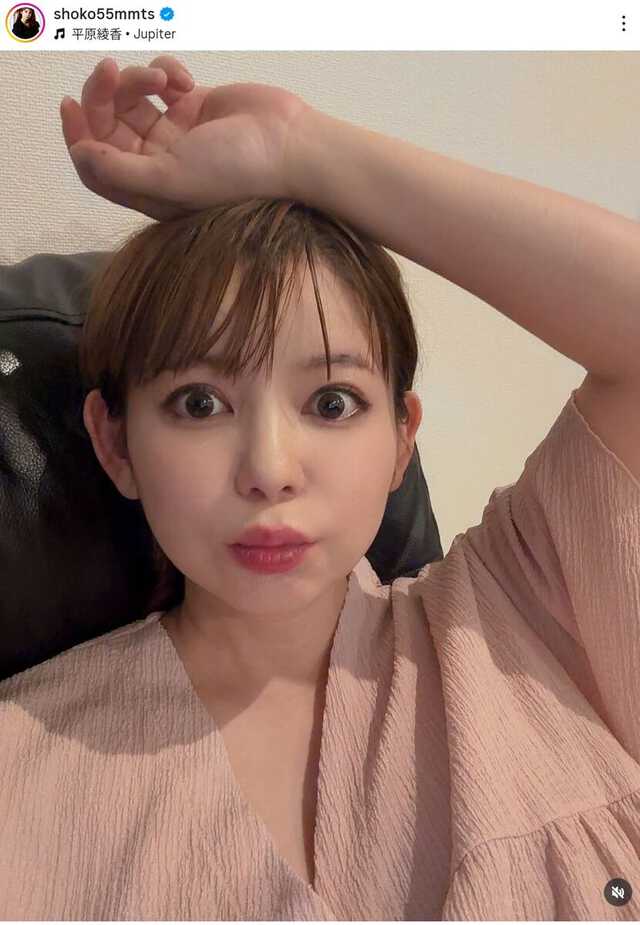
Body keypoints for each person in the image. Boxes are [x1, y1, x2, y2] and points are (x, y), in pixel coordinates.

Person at [0, 55, 638, 920]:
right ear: (116, 444)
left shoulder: (531, 614)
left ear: (402, 439)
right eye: (200, 403)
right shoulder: (20, 774)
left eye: (331, 402)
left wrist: (302, 149)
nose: (270, 468)